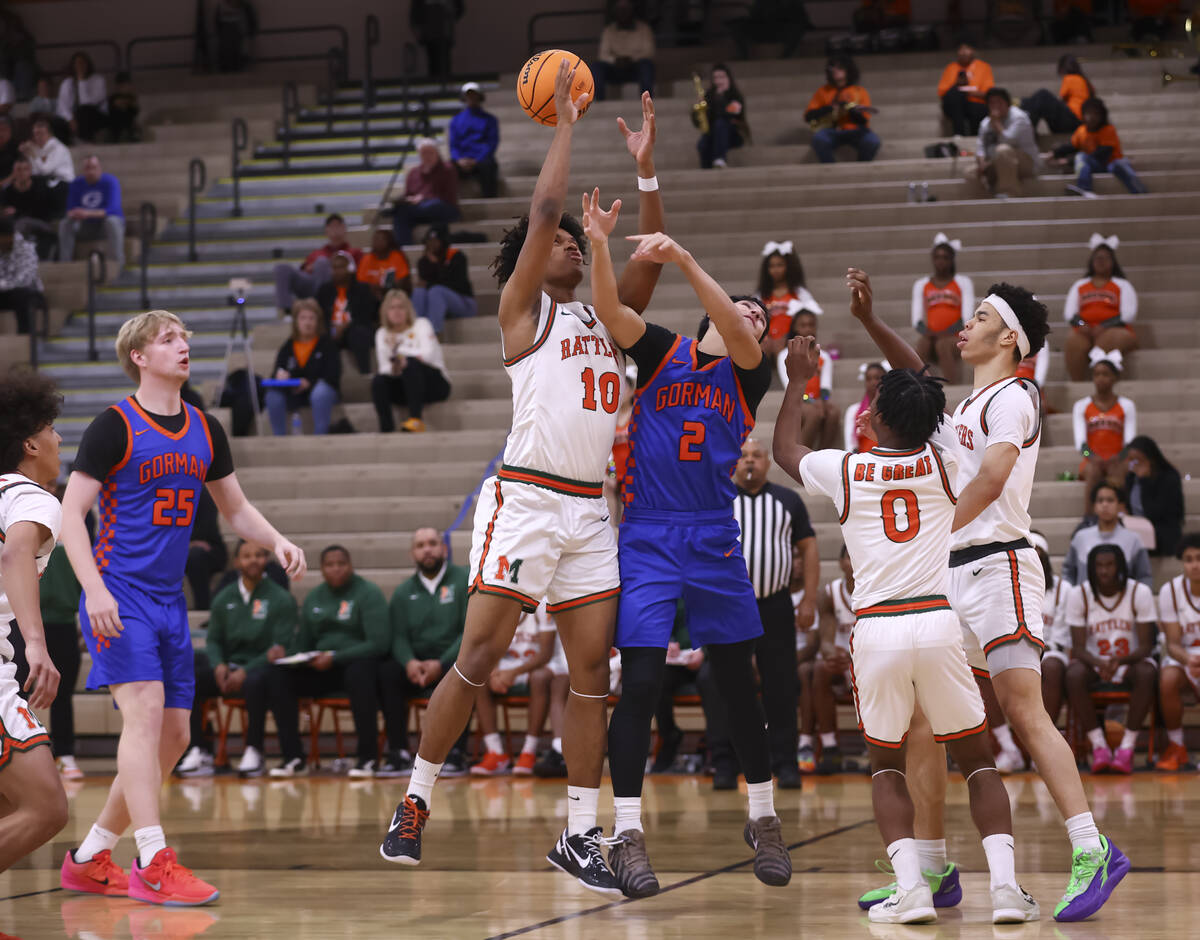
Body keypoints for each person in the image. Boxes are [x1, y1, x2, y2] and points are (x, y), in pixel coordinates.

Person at [377, 74, 666, 898]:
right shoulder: (523, 311)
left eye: (582, 240)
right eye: (569, 242)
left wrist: (645, 173)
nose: (576, 243)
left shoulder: (608, 318)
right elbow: (544, 216)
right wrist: (566, 125)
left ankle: (579, 835)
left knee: (590, 680)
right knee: (476, 658)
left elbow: (650, 255)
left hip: (590, 510)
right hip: (527, 499)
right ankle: (415, 801)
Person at [845, 269, 1129, 922]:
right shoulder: (964, 409)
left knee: (1025, 711)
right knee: (925, 725)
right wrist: (868, 321)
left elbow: (997, 476)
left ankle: (1093, 847)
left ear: (1008, 339)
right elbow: (915, 369)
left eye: (978, 318)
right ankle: (936, 865)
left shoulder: (1015, 396)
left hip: (1001, 567)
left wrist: (934, 529)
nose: (964, 325)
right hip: (951, 578)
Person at [773, 334, 1038, 926]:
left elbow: (786, 449)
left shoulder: (846, 468)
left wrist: (796, 379)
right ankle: (1005, 890)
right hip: (939, 624)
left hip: (878, 629)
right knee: (978, 761)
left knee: (887, 766)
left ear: (877, 417)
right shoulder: (947, 463)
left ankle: (912, 891)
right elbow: (941, 415)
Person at [582, 192, 790, 898]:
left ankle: (763, 816)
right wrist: (602, 244)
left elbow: (744, 332)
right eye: (744, 311)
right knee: (638, 683)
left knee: (737, 683)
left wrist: (686, 258)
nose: (753, 321)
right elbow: (611, 314)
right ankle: (628, 833)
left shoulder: (747, 371)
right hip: (646, 533)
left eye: (759, 319)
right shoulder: (664, 352)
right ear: (708, 318)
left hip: (711, 532)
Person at [59, 309, 305, 905]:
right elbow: (69, 516)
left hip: (170, 600)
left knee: (172, 736)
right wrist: (93, 590)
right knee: (143, 716)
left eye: (183, 338)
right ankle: (153, 859)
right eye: (167, 339)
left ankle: (91, 855)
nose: (181, 346)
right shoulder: (113, 426)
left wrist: (273, 539)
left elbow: (235, 509)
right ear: (139, 357)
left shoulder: (204, 427)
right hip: (120, 593)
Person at [0, 371, 70, 873]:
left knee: (8, 806)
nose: (59, 438)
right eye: (51, 428)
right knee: (46, 809)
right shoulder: (35, 496)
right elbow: (17, 553)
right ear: (30, 443)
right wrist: (36, 644)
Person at [728, 437, 819, 787]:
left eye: (757, 455)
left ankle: (786, 763)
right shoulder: (721, 499)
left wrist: (809, 599)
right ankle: (727, 762)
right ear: (734, 463)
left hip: (775, 605)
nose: (750, 461)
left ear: (768, 462)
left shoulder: (788, 500)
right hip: (731, 609)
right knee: (731, 686)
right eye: (744, 456)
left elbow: (809, 550)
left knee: (782, 687)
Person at [176, 540, 296, 779]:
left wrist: (245, 670)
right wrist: (219, 664)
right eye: (247, 555)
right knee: (191, 677)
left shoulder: (281, 598)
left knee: (255, 681)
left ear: (266, 561)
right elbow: (214, 639)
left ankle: (254, 750)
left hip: (260, 669)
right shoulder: (224, 598)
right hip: (229, 667)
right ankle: (199, 749)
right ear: (236, 562)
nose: (253, 560)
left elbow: (278, 648)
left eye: (259, 555)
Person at [267, 545, 388, 777]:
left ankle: (368, 758)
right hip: (322, 669)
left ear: (350, 565)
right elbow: (303, 644)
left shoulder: (368, 593)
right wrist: (287, 654)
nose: (336, 569)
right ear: (321, 569)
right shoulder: (314, 598)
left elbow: (379, 643)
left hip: (357, 664)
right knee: (278, 677)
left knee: (360, 673)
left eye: (341, 564)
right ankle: (293, 758)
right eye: (330, 565)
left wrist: (335, 657)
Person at [379, 527, 469, 778]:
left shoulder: (463, 580)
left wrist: (440, 664)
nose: (427, 549)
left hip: (450, 659)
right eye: (420, 545)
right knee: (387, 672)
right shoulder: (403, 592)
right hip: (417, 666)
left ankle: (455, 753)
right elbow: (397, 636)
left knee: (464, 670)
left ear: (444, 549)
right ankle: (398, 752)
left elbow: (469, 631)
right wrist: (409, 662)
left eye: (432, 543)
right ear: (412, 554)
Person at [7, 503, 84, 780]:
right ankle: (20, 757)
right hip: (22, 625)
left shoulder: (70, 538)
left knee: (62, 694)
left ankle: (65, 754)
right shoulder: (20, 532)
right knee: (19, 693)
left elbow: (82, 586)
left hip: (62, 623)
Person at [1065, 544, 1156, 774]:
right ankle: (1099, 745)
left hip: (1130, 661)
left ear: (1120, 566)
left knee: (1147, 672)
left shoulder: (1139, 592)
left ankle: (1127, 748)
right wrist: (1099, 663)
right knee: (1073, 674)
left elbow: (1147, 645)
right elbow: (1077, 647)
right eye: (1098, 565)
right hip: (1094, 663)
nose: (1104, 571)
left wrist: (1119, 661)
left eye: (1109, 564)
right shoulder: (1080, 595)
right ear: (1091, 569)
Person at [470, 601, 557, 775]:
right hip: (505, 667)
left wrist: (514, 673)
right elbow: (490, 646)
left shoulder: (543, 604)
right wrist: (494, 671)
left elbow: (546, 654)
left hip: (534, 666)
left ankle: (528, 752)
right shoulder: (500, 604)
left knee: (539, 679)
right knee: (478, 677)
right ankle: (495, 753)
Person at [371, 289, 449, 434]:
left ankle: (416, 419)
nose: (397, 311)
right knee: (378, 381)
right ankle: (386, 428)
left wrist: (398, 351)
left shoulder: (421, 324)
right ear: (385, 312)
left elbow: (428, 355)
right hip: (405, 386)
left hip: (434, 384)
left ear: (408, 309)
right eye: (392, 308)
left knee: (411, 364)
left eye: (401, 307)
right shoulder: (382, 333)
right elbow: (385, 368)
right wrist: (398, 364)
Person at [1062, 235, 1138, 382]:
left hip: (1116, 329)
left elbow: (1128, 314)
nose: (1101, 261)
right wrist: (1084, 326)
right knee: (1074, 342)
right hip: (1085, 329)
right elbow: (1070, 314)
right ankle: (1078, 383)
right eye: (1097, 258)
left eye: (1105, 258)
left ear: (1113, 262)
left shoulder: (1122, 284)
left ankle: (1105, 380)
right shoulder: (1080, 285)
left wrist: (1103, 327)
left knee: (1107, 340)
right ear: (1092, 262)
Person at [1155, 532, 1200, 771]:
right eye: (1189, 559)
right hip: (1184, 656)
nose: (1195, 565)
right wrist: (1189, 659)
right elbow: (1172, 643)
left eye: (1199, 558)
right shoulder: (1169, 591)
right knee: (1168, 678)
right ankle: (1177, 746)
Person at [810, 546, 856, 774]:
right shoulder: (829, 593)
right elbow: (826, 641)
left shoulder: (879, 591)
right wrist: (833, 654)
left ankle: (877, 745)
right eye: (849, 556)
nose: (854, 561)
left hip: (868, 661)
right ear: (840, 563)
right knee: (820, 668)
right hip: (841, 663)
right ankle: (830, 746)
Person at [1072, 351, 1136, 514]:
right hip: (1091, 459)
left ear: (1115, 377)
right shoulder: (1081, 406)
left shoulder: (1126, 405)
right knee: (1093, 471)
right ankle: (1089, 517)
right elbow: (1081, 444)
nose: (1100, 378)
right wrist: (1093, 458)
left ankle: (1122, 514)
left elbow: (1129, 442)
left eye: (1105, 374)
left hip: (1118, 458)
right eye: (1097, 374)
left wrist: (1118, 458)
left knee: (1117, 471)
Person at [265, 299, 340, 436]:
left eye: (312, 318)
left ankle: (320, 437)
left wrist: (310, 383)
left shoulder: (327, 344)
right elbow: (277, 370)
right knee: (273, 395)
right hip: (293, 392)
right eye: (303, 318)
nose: (307, 322)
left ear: (318, 321)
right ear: (296, 321)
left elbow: (333, 375)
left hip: (320, 391)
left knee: (320, 392)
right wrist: (281, 375)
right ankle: (279, 439)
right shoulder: (288, 346)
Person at [1062, 483, 1153, 588]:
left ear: (1120, 506)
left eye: (1110, 500)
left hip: (1123, 602)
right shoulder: (1080, 537)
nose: (1105, 505)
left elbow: (1144, 576)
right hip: (1085, 602)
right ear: (1094, 506)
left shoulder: (1133, 539)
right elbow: (1068, 572)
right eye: (1100, 500)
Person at [1053, 98, 1147, 199]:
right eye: (1088, 113)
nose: (1092, 117)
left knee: (1120, 164)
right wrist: (1054, 153)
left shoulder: (1108, 130)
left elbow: (1103, 153)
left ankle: (1140, 192)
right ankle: (1085, 189)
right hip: (1094, 166)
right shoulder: (1081, 131)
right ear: (1083, 115)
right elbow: (1072, 146)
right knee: (1081, 157)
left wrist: (1069, 160)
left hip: (1111, 162)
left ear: (1102, 116)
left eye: (1096, 114)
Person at [911, 234, 973, 385]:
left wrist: (943, 334)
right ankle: (917, 385)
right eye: (937, 257)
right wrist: (929, 333)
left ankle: (952, 388)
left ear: (952, 260)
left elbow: (966, 318)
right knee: (923, 344)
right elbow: (916, 320)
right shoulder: (921, 284)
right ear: (932, 259)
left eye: (945, 257)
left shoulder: (963, 282)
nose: (941, 261)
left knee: (943, 344)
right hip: (932, 336)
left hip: (957, 337)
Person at [272, 213, 360, 316]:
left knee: (322, 263)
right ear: (326, 231)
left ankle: (321, 309)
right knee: (281, 268)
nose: (335, 230)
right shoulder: (316, 253)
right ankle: (287, 311)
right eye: (332, 226)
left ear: (345, 229)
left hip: (337, 288)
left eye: (338, 226)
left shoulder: (354, 252)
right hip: (312, 287)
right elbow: (304, 271)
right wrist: (309, 267)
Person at [776, 310, 838, 449]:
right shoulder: (785, 355)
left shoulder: (825, 356)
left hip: (817, 400)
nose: (808, 329)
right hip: (795, 399)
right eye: (803, 325)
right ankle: (800, 454)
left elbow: (826, 386)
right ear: (795, 328)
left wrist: (823, 400)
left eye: (811, 325)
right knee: (813, 413)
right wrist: (810, 401)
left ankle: (823, 452)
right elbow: (789, 385)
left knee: (834, 412)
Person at [964, 88, 1039, 199]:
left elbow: (1009, 140)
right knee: (970, 172)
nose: (995, 106)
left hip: (1025, 162)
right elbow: (981, 147)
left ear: (1007, 103)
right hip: (997, 161)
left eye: (999, 102)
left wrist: (997, 123)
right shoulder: (985, 123)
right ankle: (985, 202)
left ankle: (1009, 192)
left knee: (1002, 150)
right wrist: (981, 162)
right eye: (991, 103)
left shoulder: (1019, 118)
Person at [805, 55, 879, 164]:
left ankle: (861, 167)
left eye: (840, 67)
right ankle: (831, 169)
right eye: (832, 68)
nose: (835, 70)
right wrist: (830, 108)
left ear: (848, 70)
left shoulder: (859, 91)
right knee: (819, 139)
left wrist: (849, 109)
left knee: (872, 141)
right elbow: (809, 116)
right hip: (831, 130)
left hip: (855, 130)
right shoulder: (823, 91)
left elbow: (863, 120)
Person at [755, 239, 822, 357]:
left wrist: (787, 337)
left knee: (783, 348)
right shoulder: (761, 295)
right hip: (767, 339)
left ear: (789, 267)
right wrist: (766, 337)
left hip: (791, 338)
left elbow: (807, 320)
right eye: (771, 266)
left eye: (780, 265)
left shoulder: (799, 293)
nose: (775, 270)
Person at [315, 250, 377, 374]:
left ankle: (365, 374)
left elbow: (368, 316)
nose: (337, 271)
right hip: (331, 331)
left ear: (350, 268)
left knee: (359, 333)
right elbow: (319, 315)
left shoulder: (362, 290)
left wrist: (345, 326)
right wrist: (333, 328)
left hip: (355, 330)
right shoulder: (324, 290)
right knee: (323, 337)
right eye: (334, 267)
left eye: (341, 267)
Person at [58, 154, 124, 269]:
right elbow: (70, 209)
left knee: (112, 221)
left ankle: (118, 264)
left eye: (94, 168)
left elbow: (113, 209)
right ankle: (65, 264)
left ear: (100, 168)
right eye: (87, 168)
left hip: (105, 226)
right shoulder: (76, 183)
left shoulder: (110, 182)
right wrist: (75, 213)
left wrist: (87, 213)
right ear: (83, 170)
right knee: (65, 223)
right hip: (85, 226)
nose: (91, 172)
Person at [392, 139, 460, 247]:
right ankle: (405, 247)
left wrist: (423, 198)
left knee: (433, 205)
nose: (427, 156)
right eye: (424, 153)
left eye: (430, 152)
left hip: (443, 207)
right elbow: (408, 193)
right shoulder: (414, 172)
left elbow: (448, 194)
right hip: (418, 209)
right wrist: (408, 200)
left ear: (437, 153)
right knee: (400, 214)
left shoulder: (448, 169)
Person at [1124, 435, 1184, 557]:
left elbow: (1154, 513)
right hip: (1136, 527)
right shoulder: (1131, 478)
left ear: (1150, 459)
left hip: (1161, 529)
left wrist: (1145, 481)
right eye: (1131, 459)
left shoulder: (1169, 477)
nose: (1133, 464)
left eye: (1137, 459)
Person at [411, 225, 476, 335]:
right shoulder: (424, 261)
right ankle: (415, 333)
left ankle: (434, 335)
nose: (432, 244)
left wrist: (437, 264)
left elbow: (457, 284)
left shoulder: (457, 256)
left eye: (435, 241)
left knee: (436, 291)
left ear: (443, 241)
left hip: (464, 303)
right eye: (429, 241)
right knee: (419, 292)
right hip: (438, 306)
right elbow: (425, 285)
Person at [594, 0, 656, 101]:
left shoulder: (644, 29)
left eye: (626, 9)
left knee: (647, 66)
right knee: (597, 67)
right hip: (614, 68)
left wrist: (631, 59)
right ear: (615, 12)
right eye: (620, 10)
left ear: (632, 11)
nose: (623, 13)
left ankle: (647, 102)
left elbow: (649, 52)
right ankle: (600, 102)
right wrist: (615, 60)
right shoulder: (609, 30)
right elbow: (602, 54)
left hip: (635, 67)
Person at [4, 156, 62, 259]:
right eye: (18, 169)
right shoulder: (8, 191)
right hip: (15, 225)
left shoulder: (40, 187)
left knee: (22, 223)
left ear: (30, 171)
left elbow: (40, 212)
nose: (21, 173)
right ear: (13, 172)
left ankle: (17, 258)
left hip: (41, 223)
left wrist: (17, 212)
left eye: (25, 169)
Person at [449, 82, 500, 198]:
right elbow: (453, 145)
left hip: (481, 160)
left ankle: (490, 200)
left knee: (489, 166)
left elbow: (492, 143)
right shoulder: (456, 120)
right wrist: (459, 160)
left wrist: (476, 160)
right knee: (447, 168)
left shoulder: (490, 120)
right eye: (468, 95)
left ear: (479, 96)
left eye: (474, 95)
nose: (471, 98)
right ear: (464, 97)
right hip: (462, 161)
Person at [1021, 54, 1091, 135]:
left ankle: (1028, 129)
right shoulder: (1084, 81)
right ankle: (1026, 122)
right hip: (1077, 123)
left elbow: (1061, 98)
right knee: (1030, 101)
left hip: (1073, 123)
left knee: (1042, 95)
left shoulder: (1070, 78)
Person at [696, 64, 747, 169]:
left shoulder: (735, 95)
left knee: (721, 124)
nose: (719, 81)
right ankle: (706, 168)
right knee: (702, 143)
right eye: (716, 78)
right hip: (714, 133)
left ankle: (720, 158)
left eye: (722, 77)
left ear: (728, 78)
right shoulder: (709, 95)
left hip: (733, 134)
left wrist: (721, 97)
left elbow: (730, 113)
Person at [183, 489, 227, 610]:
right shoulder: (160, 491)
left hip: (210, 549)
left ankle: (203, 608)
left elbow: (206, 529)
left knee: (195, 555)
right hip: (178, 549)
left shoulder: (202, 492)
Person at [938, 44, 995, 137]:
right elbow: (942, 92)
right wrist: (957, 84)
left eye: (967, 49)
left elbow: (987, 93)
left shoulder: (983, 67)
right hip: (954, 105)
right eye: (961, 49)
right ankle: (958, 133)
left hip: (976, 103)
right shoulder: (951, 68)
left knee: (974, 108)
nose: (964, 52)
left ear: (973, 51)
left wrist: (967, 92)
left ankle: (975, 134)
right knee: (955, 94)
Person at [0, 216, 43, 334]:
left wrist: (2, 285)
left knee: (22, 295)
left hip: (30, 293)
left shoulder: (27, 249)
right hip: (5, 292)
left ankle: (26, 339)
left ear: (8, 236)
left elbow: (25, 280)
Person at [56, 52, 107, 143]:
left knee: (84, 111)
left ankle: (85, 141)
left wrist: (81, 81)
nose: (80, 66)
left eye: (82, 63)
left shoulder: (98, 80)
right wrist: (70, 119)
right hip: (74, 117)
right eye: (77, 63)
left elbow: (88, 102)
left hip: (94, 115)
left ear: (88, 64)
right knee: (57, 122)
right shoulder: (67, 83)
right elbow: (62, 106)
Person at [410, 0, 462, 80]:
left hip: (444, 35)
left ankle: (443, 85)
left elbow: (459, 9)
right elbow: (415, 12)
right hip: (430, 36)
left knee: (444, 64)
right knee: (434, 65)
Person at [844, 361, 887, 452]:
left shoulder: (894, 408)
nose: (873, 382)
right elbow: (850, 445)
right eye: (869, 379)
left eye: (877, 378)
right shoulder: (853, 410)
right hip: (862, 461)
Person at [19, 117, 73, 188]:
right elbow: (34, 172)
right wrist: (26, 153)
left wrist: (33, 155)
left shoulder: (59, 148)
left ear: (50, 134)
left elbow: (45, 170)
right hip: (45, 183)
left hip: (63, 183)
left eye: (41, 133)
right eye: (36, 134)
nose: (38, 137)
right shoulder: (35, 148)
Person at [357, 228, 411, 300]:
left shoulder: (397, 257)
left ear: (389, 241)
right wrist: (377, 289)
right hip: (370, 296)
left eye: (382, 239)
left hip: (394, 294)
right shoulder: (366, 258)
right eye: (376, 239)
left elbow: (401, 281)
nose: (378, 242)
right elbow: (361, 283)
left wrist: (383, 290)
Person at [106, 71, 140, 143]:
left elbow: (135, 111)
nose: (125, 87)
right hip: (115, 122)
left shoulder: (131, 97)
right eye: (122, 85)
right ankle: (115, 136)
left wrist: (128, 103)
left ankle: (131, 135)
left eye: (126, 85)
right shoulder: (113, 97)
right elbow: (112, 107)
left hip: (128, 122)